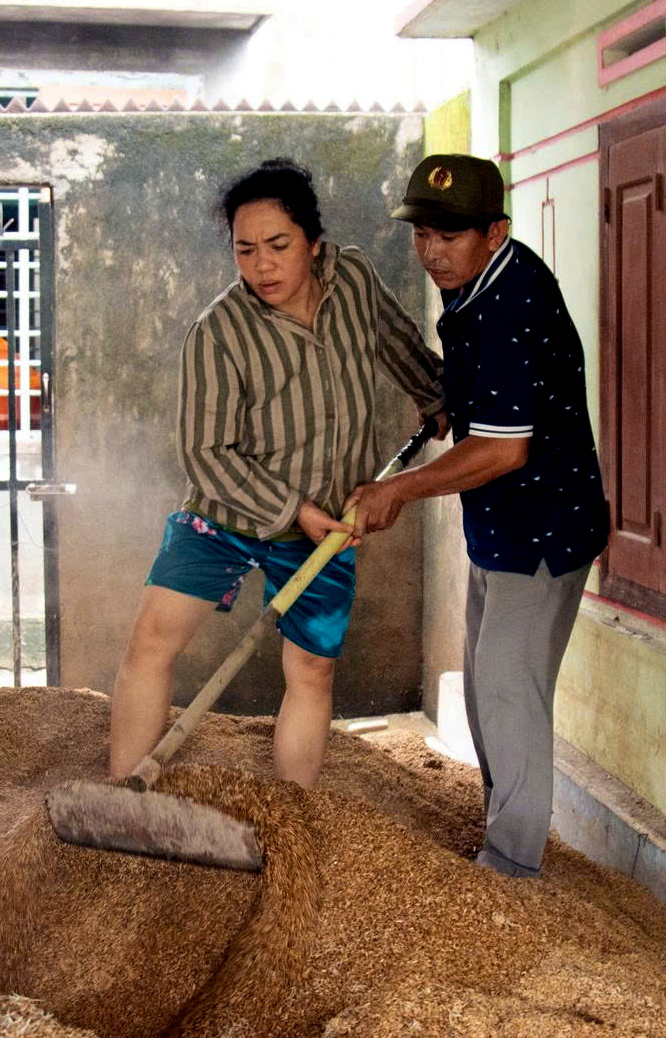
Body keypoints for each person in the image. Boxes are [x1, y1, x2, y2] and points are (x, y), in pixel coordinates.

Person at [106, 158, 444, 788]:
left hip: (326, 526)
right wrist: (292, 511)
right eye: (245, 250)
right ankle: (123, 798)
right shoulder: (218, 332)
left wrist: (437, 396)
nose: (262, 266)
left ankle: (293, 815)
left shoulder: (354, 280)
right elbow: (206, 453)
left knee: (312, 670)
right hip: (225, 517)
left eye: (278, 245)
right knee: (152, 640)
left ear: (314, 244)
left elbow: (397, 343)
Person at [345, 153, 610, 877]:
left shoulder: (511, 303)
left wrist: (399, 490)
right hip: (499, 529)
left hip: (542, 532)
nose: (431, 251)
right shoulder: (473, 287)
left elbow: (502, 449)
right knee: (486, 685)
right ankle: (501, 830)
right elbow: (491, 406)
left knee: (507, 692)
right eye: (421, 233)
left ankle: (512, 866)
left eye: (450, 235)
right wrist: (449, 405)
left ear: (495, 232)